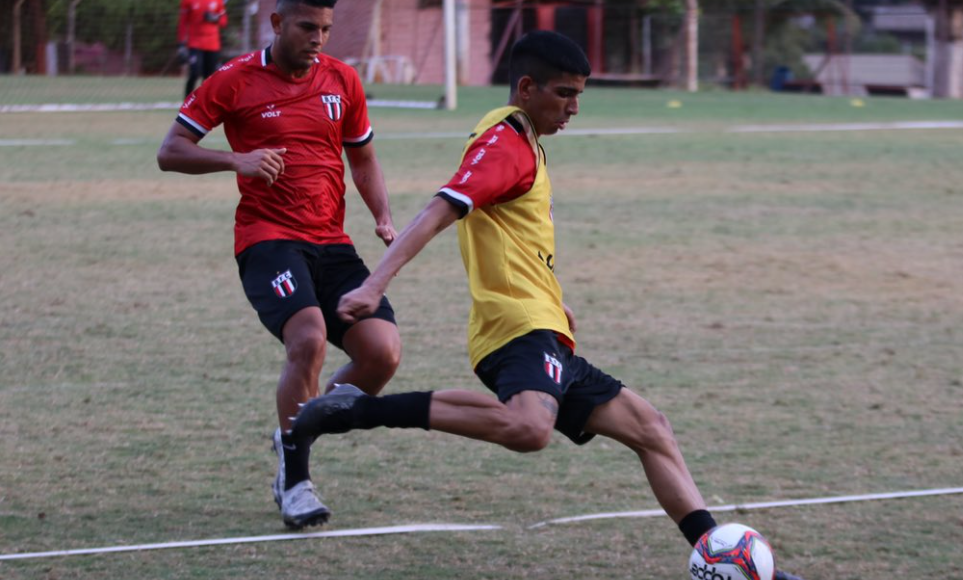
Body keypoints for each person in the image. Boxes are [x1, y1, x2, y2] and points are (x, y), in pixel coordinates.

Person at [291, 30, 804, 580]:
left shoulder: (519, 135)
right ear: (527, 87)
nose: (574, 108)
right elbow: (442, 208)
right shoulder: (505, 143)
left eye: (580, 95)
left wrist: (557, 303)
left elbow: (514, 239)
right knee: (530, 429)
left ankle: (730, 560)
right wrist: (375, 286)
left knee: (650, 428)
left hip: (544, 325)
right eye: (564, 94)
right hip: (517, 328)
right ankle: (358, 408)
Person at [157, 0, 402, 530]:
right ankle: (295, 482)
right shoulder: (233, 80)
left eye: (326, 29)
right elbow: (170, 150)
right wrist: (234, 159)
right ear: (276, 23)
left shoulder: (343, 81)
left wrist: (382, 215)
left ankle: (297, 430)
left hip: (332, 243)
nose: (318, 38)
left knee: (382, 354)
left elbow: (362, 158)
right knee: (309, 338)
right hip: (268, 240)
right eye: (307, 27)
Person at [177, 0, 228, 97]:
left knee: (209, 78)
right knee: (194, 73)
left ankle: (205, 103)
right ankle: (187, 103)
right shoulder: (187, 1)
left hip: (213, 45)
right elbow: (183, 23)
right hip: (195, 44)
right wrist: (181, 44)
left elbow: (224, 22)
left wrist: (215, 18)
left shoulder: (218, 1)